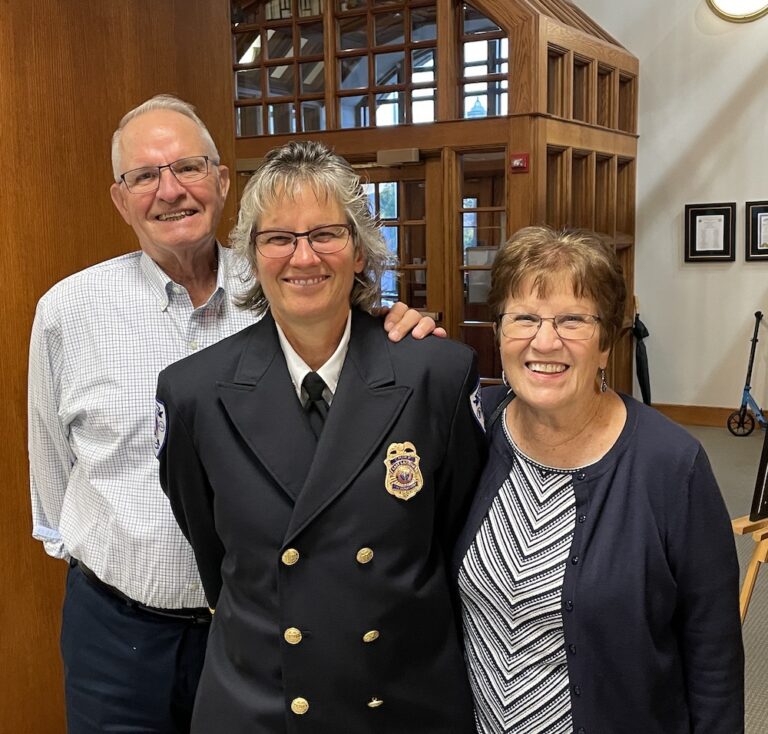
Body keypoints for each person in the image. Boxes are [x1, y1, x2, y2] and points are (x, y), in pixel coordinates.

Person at [27, 95, 435, 734]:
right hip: (118, 634)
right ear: (120, 197)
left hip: (270, 636)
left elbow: (364, 375)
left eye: (188, 167)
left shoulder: (285, 277)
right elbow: (51, 476)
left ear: (221, 182)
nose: (170, 190)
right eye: (144, 176)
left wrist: (403, 325)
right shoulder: (68, 311)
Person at [155, 140, 487, 733]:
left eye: (326, 234)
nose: (302, 257)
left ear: (359, 250)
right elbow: (214, 553)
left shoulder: (436, 374)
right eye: (278, 238)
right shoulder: (194, 394)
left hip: (401, 703)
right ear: (252, 258)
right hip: (261, 704)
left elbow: (453, 538)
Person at [452, 226, 744, 734]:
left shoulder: (672, 465)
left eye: (572, 320)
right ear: (499, 333)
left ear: (606, 343)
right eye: (524, 318)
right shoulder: (474, 430)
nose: (545, 341)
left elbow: (713, 653)